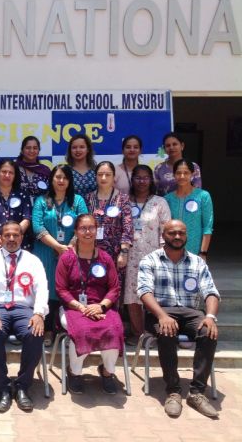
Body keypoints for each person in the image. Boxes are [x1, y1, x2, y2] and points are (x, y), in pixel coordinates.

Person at [138, 219, 219, 418]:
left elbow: (211, 292)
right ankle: (173, 391)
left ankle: (197, 393)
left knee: (208, 331)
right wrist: (162, 315)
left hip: (190, 311)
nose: (177, 237)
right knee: (166, 332)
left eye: (181, 233)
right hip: (160, 310)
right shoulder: (150, 260)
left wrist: (210, 316)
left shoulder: (197, 262)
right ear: (163, 236)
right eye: (172, 233)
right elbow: (144, 292)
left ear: (186, 236)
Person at [0, 221, 49, 413]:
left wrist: (39, 313)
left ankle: (22, 386)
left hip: (24, 309)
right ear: (0, 238)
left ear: (21, 237)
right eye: (7, 235)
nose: (11, 238)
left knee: (35, 333)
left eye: (15, 235)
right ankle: (3, 387)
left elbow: (42, 288)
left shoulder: (33, 260)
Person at [55, 214, 124, 395]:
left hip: (101, 307)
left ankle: (107, 372)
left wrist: (101, 306)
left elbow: (114, 288)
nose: (87, 232)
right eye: (83, 228)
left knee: (114, 329)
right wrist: (81, 307)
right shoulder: (66, 258)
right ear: (76, 232)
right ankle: (74, 373)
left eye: (91, 228)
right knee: (82, 330)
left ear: (97, 230)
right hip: (73, 308)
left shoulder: (105, 258)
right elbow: (61, 289)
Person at [32, 165, 88, 347]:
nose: (61, 180)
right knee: (46, 289)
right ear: (51, 179)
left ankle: (67, 329)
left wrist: (69, 246)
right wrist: (57, 247)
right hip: (45, 252)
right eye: (57, 177)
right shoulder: (41, 201)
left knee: (68, 289)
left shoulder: (77, 200)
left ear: (70, 180)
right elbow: (37, 226)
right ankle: (48, 329)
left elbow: (83, 224)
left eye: (65, 177)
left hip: (72, 252)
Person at [123, 165, 171, 346]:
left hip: (154, 256)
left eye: (145, 178)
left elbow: (165, 231)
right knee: (132, 295)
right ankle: (138, 333)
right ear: (132, 180)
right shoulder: (125, 201)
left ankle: (154, 332)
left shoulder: (160, 202)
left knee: (153, 293)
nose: (142, 181)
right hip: (130, 256)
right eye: (138, 178)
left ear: (151, 180)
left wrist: (164, 255)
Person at [85, 161, 133, 276]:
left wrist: (124, 252)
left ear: (114, 177)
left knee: (114, 284)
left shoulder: (123, 198)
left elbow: (127, 227)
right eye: (100, 174)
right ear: (95, 176)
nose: (103, 178)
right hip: (91, 251)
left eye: (107, 174)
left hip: (115, 253)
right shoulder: (88, 198)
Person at [164, 159, 213, 257]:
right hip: (171, 251)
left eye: (186, 173)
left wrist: (203, 253)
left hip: (195, 251)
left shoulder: (203, 196)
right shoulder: (167, 199)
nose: (182, 176)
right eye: (178, 173)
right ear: (174, 175)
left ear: (192, 174)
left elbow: (207, 227)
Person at [0, 159, 32, 253]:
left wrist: (14, 237)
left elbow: (27, 219)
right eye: (4, 172)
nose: (7, 175)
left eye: (11, 173)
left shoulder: (23, 195)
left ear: (15, 176)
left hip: (19, 245)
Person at [15, 135, 51, 204]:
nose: (31, 151)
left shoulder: (45, 170)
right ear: (22, 150)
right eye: (28, 148)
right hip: (18, 208)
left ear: (38, 151)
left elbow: (50, 193)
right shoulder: (14, 169)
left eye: (35, 148)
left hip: (40, 208)